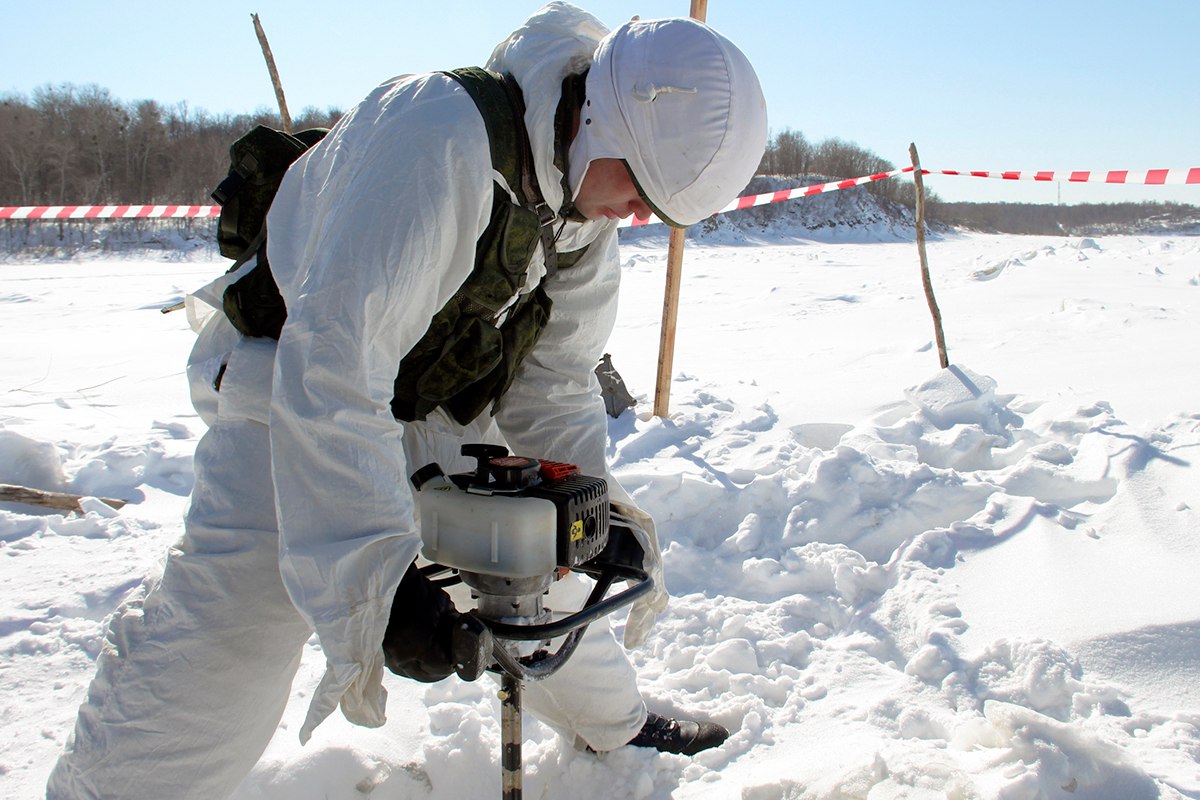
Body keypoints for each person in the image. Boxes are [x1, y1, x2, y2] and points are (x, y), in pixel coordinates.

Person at [47, 3, 767, 798]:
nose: (637, 216)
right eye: (639, 190)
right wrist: (379, 586)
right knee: (238, 623)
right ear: (599, 119)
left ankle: (616, 724)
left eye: (657, 212)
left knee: (538, 548)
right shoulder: (437, 136)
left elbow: (556, 385)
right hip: (287, 380)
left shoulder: (582, 209)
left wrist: (587, 515)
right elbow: (334, 367)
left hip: (428, 399)